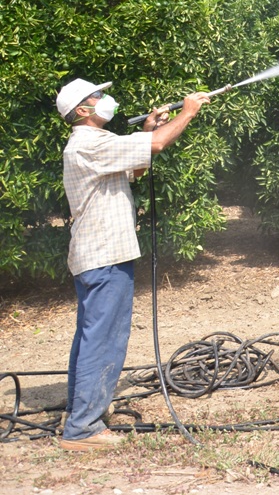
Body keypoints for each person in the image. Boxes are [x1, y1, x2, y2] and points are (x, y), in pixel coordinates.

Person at [53, 78, 211, 452]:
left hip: (100, 256)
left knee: (92, 337)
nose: (104, 99)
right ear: (81, 111)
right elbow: (156, 146)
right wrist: (188, 112)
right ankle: (82, 430)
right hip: (105, 257)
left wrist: (147, 129)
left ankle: (80, 415)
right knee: (103, 340)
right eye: (96, 96)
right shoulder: (89, 143)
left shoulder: (97, 145)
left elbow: (135, 167)